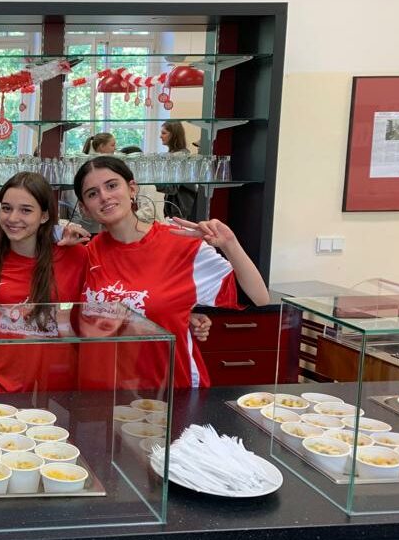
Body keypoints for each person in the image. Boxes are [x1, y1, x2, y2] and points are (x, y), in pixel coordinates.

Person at [73, 155, 269, 390]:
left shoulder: (180, 243)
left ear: (132, 188)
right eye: (92, 193)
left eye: (112, 185)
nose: (104, 197)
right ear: (85, 208)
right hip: (103, 392)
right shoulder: (87, 253)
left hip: (170, 392)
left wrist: (230, 243)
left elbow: (257, 298)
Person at [0, 172, 89, 393]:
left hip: (59, 385)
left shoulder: (75, 256)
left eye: (26, 210)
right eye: (7, 208)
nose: (12, 218)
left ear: (45, 216)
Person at [158, 120, 197, 220]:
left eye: (164, 133)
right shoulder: (172, 155)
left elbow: (172, 188)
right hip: (175, 208)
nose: (160, 136)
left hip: (181, 208)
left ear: (174, 135)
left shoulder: (181, 157)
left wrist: (151, 181)